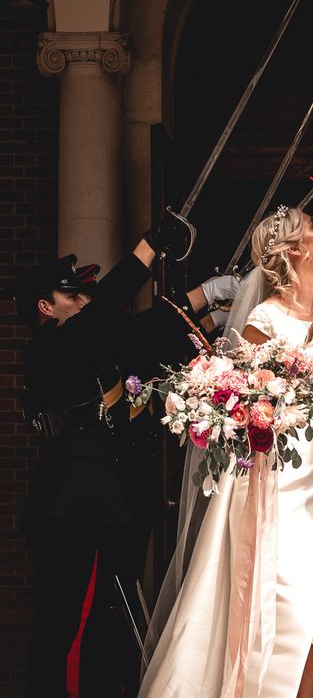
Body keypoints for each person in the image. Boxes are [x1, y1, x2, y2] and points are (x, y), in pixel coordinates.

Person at [139, 206, 313, 698]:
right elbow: (243, 407)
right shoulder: (263, 318)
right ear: (294, 249)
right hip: (273, 487)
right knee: (287, 609)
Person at [11, 219, 239, 698]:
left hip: (111, 506)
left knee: (110, 625)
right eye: (72, 296)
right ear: (45, 307)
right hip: (76, 511)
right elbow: (108, 316)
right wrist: (150, 248)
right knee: (71, 628)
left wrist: (214, 313)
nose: (84, 300)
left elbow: (144, 335)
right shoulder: (49, 348)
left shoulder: (90, 341)